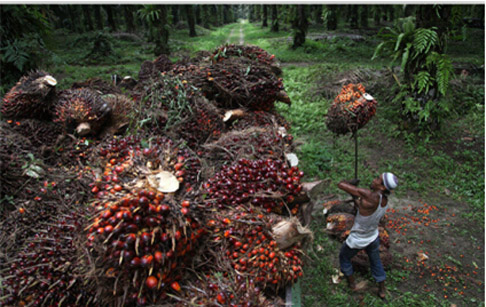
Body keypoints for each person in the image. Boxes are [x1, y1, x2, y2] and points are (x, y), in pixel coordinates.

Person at [337, 172, 398, 299]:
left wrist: (350, 183)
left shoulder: (368, 195)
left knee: (344, 257)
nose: (374, 180)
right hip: (373, 236)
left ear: (382, 187)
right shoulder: (384, 200)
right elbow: (365, 209)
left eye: (377, 179)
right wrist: (355, 198)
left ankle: (353, 284)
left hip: (358, 238)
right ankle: (381, 289)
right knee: (376, 261)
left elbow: (340, 184)